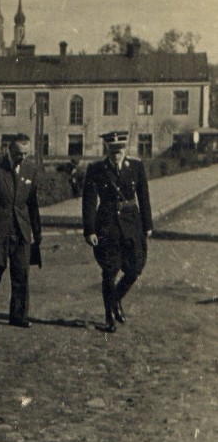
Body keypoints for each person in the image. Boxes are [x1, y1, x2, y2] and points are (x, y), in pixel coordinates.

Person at [82, 131, 152, 333]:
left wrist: (148, 225)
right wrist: (89, 230)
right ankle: (109, 317)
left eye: (119, 149)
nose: (116, 153)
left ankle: (115, 299)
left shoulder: (136, 167)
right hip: (107, 225)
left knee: (135, 268)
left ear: (125, 148)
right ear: (107, 149)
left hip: (131, 224)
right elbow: (89, 201)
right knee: (110, 271)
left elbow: (144, 196)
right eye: (112, 150)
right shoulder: (96, 169)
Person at [0, 133, 42, 328]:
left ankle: (18, 316)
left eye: (26, 153)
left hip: (21, 229)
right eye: (19, 153)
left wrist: (37, 232)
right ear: (10, 150)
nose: (23, 157)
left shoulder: (31, 169)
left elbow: (32, 204)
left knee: (21, 274)